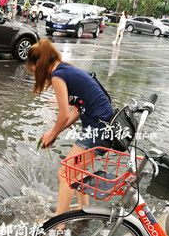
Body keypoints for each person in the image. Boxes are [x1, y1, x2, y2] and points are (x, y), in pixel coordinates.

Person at [26, 39, 114, 216]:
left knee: (65, 174)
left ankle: (58, 225)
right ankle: (83, 211)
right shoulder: (66, 68)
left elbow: (64, 114)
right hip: (103, 126)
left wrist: (52, 133)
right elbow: (77, 110)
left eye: (33, 69)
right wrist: (55, 133)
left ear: (39, 63)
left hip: (98, 128)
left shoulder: (58, 76)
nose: (35, 74)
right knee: (75, 173)